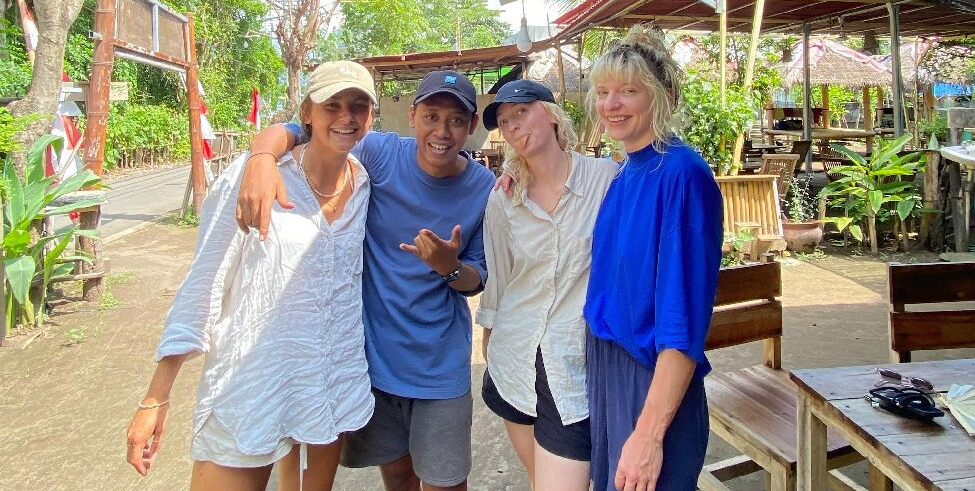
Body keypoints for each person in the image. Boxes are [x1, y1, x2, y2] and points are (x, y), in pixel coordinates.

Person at [235, 70, 495, 491]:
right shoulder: (380, 152)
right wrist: (261, 157)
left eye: (456, 120)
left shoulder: (484, 188)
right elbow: (306, 130)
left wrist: (448, 266)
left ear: (472, 126)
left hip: (439, 366)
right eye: (431, 116)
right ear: (412, 116)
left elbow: (476, 279)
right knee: (397, 475)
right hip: (372, 363)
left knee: (445, 481)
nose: (442, 132)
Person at [126, 60, 379, 491]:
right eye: (332, 105)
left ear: (371, 115)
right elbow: (205, 282)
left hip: (326, 384)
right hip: (252, 383)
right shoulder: (253, 178)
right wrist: (156, 396)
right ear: (307, 112)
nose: (346, 117)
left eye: (358, 106)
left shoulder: (363, 184)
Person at [584, 25, 723, 491]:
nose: (611, 104)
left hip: (651, 382)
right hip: (612, 371)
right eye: (603, 92)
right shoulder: (627, 171)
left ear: (663, 96)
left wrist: (649, 434)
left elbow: (682, 321)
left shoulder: (681, 174)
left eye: (628, 91)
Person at [476, 79, 617, 491]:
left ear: (552, 114)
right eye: (505, 121)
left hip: (573, 363)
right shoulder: (503, 198)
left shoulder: (605, 179)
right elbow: (500, 279)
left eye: (522, 112)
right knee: (541, 481)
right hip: (514, 360)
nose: (513, 125)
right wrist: (489, 344)